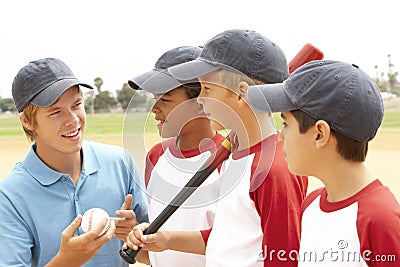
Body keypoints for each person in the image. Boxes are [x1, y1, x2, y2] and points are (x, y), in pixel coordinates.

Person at [125, 29, 308, 266]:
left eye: (207, 89)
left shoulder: (273, 170)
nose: (199, 99)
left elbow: (284, 257)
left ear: (242, 94)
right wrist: (167, 239)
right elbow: (229, 239)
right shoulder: (236, 155)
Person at [247, 60, 400, 266]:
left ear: (320, 134)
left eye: (285, 123)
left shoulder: (380, 218)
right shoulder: (311, 206)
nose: (280, 137)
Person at [0, 58, 149, 267]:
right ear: (27, 121)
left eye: (77, 104)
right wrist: (65, 262)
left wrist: (136, 234)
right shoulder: (8, 196)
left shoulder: (120, 162)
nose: (73, 120)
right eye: (56, 112)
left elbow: (158, 253)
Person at [126, 46, 227, 266]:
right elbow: (160, 257)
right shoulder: (156, 156)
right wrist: (135, 234)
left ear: (202, 102)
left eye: (166, 100)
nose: (154, 109)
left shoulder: (229, 162)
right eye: (155, 99)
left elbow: (234, 246)